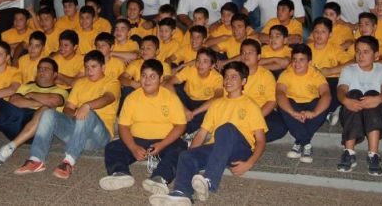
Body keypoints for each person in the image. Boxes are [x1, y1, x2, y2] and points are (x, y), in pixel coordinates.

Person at [149, 62, 266, 205]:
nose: (228, 80)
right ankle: (181, 193)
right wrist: (192, 156)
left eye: (234, 77)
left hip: (240, 150)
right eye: (226, 77)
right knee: (186, 154)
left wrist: (249, 163)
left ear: (244, 81)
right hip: (217, 149)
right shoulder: (216, 104)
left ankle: (210, 180)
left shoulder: (251, 105)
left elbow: (260, 140)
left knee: (226, 128)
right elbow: (202, 134)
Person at [14, 50, 121, 179]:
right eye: (87, 67)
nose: (89, 71)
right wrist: (76, 113)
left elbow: (108, 98)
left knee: (88, 113)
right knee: (48, 113)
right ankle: (36, 159)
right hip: (78, 131)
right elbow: (67, 108)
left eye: (94, 67)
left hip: (100, 137)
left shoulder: (112, 82)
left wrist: (86, 106)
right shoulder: (80, 83)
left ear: (103, 67)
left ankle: (68, 162)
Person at [100, 59, 186, 194]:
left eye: (152, 76)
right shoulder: (132, 98)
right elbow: (123, 126)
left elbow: (180, 126)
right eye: (144, 76)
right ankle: (120, 173)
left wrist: (162, 144)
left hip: (164, 140)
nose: (147, 80)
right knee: (112, 147)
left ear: (161, 79)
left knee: (180, 150)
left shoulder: (170, 98)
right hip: (137, 139)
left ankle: (159, 178)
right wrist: (133, 147)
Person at [0, 57, 68, 158]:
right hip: (17, 118)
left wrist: (31, 95)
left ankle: (10, 148)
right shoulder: (26, 86)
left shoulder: (61, 91)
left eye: (46, 69)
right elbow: (14, 101)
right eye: (40, 68)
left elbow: (53, 100)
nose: (42, 71)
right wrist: (40, 102)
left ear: (55, 74)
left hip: (37, 129)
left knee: (45, 110)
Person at [336, 36, 382, 176]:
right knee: (353, 93)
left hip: (378, 116)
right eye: (358, 51)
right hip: (353, 114)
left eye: (366, 52)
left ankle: (374, 155)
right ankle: (349, 152)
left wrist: (378, 98)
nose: (360, 56)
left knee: (373, 93)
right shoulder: (349, 70)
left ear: (376, 55)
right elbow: (341, 90)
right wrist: (346, 101)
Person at [276, 44, 331, 163]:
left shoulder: (316, 74)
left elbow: (326, 94)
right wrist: (293, 112)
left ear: (309, 62)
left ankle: (298, 143)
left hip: (311, 105)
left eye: (301, 60)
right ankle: (306, 144)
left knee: (322, 104)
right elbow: (280, 93)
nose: (297, 64)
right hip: (293, 105)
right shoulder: (286, 74)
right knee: (283, 103)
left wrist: (314, 112)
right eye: (294, 60)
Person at [238, 38, 287, 143]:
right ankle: (246, 137)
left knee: (280, 128)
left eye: (250, 53)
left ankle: (248, 139)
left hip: (260, 111)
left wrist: (255, 118)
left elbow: (272, 101)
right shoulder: (234, 73)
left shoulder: (266, 75)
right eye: (243, 53)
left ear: (258, 57)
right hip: (239, 112)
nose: (246, 55)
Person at [166, 48, 224, 134]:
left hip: (202, 104)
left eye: (205, 61)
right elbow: (168, 83)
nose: (200, 64)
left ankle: (184, 131)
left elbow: (218, 97)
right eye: (198, 60)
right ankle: (176, 124)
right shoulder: (190, 69)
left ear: (212, 66)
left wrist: (193, 113)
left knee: (214, 107)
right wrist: (184, 109)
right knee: (173, 89)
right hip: (186, 99)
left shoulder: (217, 77)